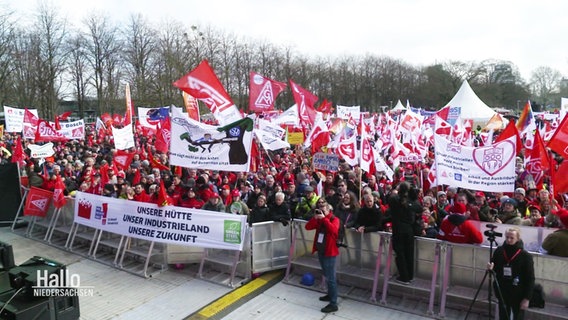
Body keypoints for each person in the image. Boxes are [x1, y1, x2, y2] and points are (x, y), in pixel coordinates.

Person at [488, 227, 535, 320]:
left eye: (512, 238)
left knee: (518, 316)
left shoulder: (525, 256)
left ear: (518, 238)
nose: (509, 240)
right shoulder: (499, 251)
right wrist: (490, 268)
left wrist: (527, 298)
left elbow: (530, 278)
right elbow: (495, 268)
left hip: (518, 292)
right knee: (503, 315)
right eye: (507, 237)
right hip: (502, 290)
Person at [305, 201, 340, 313]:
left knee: (331, 278)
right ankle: (330, 295)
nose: (321, 211)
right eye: (320, 208)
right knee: (326, 274)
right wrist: (315, 218)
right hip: (321, 250)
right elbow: (308, 227)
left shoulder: (334, 219)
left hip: (330, 252)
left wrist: (324, 219)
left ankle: (333, 303)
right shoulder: (319, 219)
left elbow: (334, 231)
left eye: (323, 209)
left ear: (329, 210)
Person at [388, 181, 422, 285]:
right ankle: (410, 275)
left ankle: (404, 277)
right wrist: (412, 194)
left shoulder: (394, 199)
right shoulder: (411, 201)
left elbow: (391, 199)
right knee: (409, 253)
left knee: (401, 253)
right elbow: (419, 208)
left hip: (399, 230)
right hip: (408, 231)